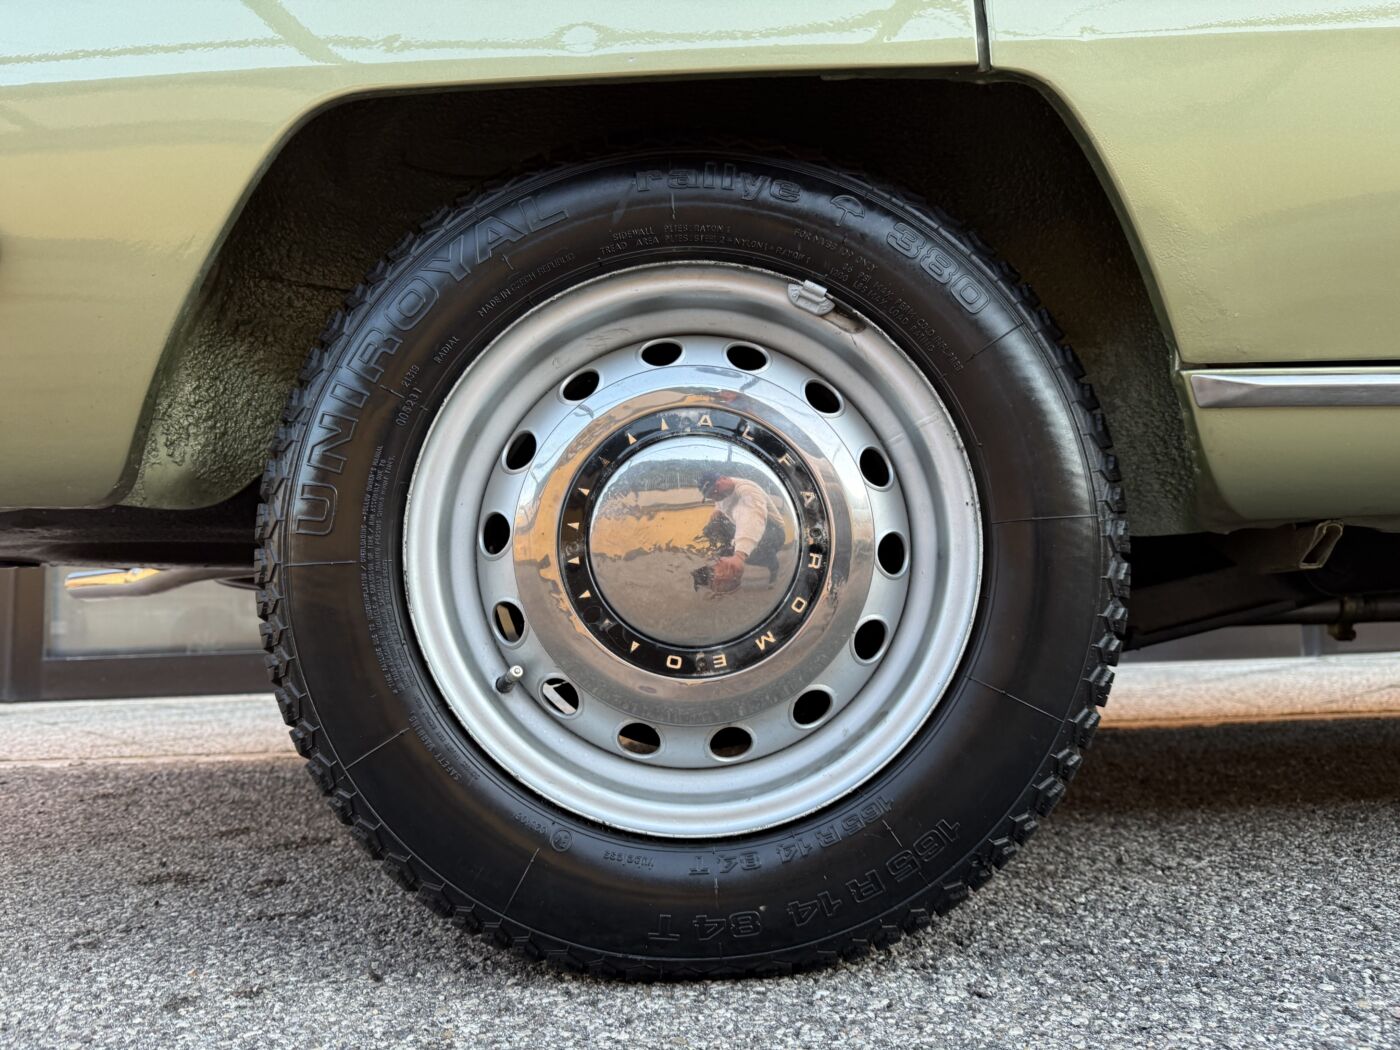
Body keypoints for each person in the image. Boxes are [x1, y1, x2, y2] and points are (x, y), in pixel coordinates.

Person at [697, 470, 788, 591]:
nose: (715, 496)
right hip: (745, 523)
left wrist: (740, 555)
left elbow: (752, 517)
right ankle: (723, 568)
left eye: (715, 490)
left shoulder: (748, 491)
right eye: (710, 495)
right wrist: (717, 510)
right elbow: (719, 502)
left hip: (773, 530)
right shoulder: (722, 492)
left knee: (747, 552)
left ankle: (773, 565)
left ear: (723, 478)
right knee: (714, 529)